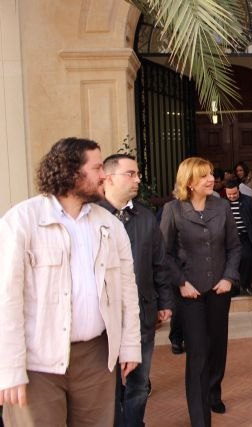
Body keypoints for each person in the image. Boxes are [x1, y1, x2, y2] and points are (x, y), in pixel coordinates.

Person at [0, 137, 141, 427]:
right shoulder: (22, 221)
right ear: (71, 171)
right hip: (37, 361)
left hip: (96, 359)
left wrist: (129, 346)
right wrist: (9, 367)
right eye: (98, 167)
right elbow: (7, 299)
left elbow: (127, 292)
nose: (104, 175)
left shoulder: (110, 225)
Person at [160, 157, 241, 427]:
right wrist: (181, 283)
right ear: (190, 183)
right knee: (197, 352)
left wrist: (229, 277)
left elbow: (234, 247)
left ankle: (213, 391)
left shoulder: (222, 207)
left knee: (217, 346)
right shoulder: (173, 210)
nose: (211, 179)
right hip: (190, 292)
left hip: (219, 290)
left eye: (210, 175)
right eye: (204, 176)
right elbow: (165, 254)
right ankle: (199, 417)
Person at [100, 154, 176, 426]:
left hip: (142, 314)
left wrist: (165, 302)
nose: (137, 179)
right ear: (108, 178)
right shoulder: (92, 216)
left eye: (137, 174)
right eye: (130, 174)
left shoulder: (145, 217)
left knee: (138, 385)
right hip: (103, 322)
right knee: (109, 389)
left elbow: (160, 263)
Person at [225, 179, 252, 296]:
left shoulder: (248, 202)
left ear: (239, 190)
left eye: (234, 193)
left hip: (245, 236)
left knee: (248, 258)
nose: (232, 196)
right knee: (232, 261)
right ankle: (234, 286)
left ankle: (245, 284)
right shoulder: (222, 204)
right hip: (229, 238)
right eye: (229, 194)